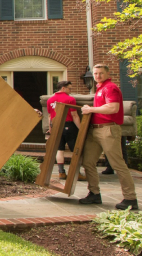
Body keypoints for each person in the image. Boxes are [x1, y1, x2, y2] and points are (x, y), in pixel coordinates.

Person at [79, 64, 138, 210]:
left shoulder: (110, 88)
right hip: (95, 131)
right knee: (88, 162)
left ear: (107, 73)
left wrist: (90, 109)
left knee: (118, 164)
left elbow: (113, 108)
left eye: (100, 73)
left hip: (108, 130)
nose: (97, 76)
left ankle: (130, 198)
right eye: (95, 73)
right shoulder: (100, 88)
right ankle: (94, 193)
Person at [46, 80, 84, 180]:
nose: (70, 91)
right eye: (69, 88)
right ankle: (76, 173)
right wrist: (81, 128)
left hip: (56, 127)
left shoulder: (50, 100)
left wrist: (50, 129)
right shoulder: (70, 99)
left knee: (60, 150)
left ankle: (61, 172)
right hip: (68, 126)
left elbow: (50, 116)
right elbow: (74, 115)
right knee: (75, 150)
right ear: (63, 88)